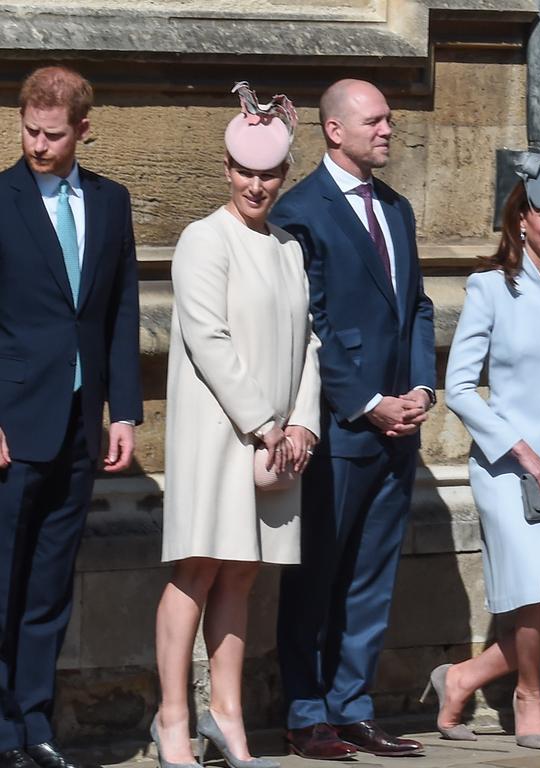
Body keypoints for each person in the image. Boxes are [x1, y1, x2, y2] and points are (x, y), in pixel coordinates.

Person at [152, 83, 320, 768]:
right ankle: (171, 719)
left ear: (284, 175)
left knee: (244, 573)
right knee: (197, 567)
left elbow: (310, 341)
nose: (257, 184)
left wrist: (304, 423)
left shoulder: (287, 247)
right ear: (227, 169)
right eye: (245, 171)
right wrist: (265, 424)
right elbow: (208, 339)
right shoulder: (203, 238)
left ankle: (227, 715)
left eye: (269, 173)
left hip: (276, 440)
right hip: (220, 435)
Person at [272, 79, 436, 760]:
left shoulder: (395, 208)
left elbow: (419, 307)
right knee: (317, 575)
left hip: (401, 428)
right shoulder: (301, 211)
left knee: (372, 577)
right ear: (333, 130)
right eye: (374, 121)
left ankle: (353, 704)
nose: (388, 130)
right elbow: (312, 323)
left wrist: (422, 387)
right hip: (340, 429)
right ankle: (307, 711)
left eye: (389, 120)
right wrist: (369, 403)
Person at [431, 148, 540, 749]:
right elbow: (459, 388)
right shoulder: (489, 288)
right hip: (508, 469)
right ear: (521, 219)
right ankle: (528, 693)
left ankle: (463, 678)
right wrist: (520, 450)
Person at [0, 66, 142, 768]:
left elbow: (118, 313)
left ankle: (34, 724)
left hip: (82, 428)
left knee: (50, 588)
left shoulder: (112, 204)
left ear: (84, 129)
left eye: (53, 135)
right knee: (2, 583)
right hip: (13, 426)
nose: (37, 144)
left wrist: (124, 413)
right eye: (28, 130)